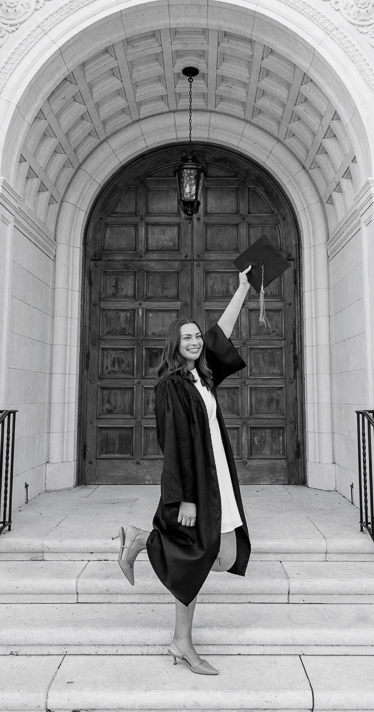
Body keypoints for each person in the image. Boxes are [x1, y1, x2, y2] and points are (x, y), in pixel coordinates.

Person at [113, 267, 252, 676]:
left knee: (224, 556)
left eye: (197, 336)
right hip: (194, 486)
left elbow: (221, 333)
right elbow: (172, 446)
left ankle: (140, 540)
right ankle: (182, 642)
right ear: (175, 344)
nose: (194, 341)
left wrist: (242, 289)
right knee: (196, 557)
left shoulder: (203, 376)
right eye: (187, 337)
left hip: (218, 479)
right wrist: (183, 498)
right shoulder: (171, 385)